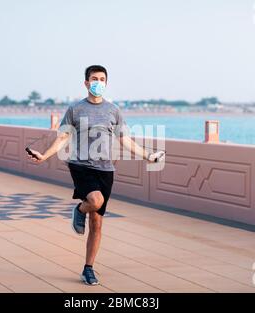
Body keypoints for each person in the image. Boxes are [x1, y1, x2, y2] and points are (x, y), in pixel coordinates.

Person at [27, 65, 164, 285]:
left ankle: (88, 268)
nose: (98, 82)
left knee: (97, 223)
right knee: (95, 201)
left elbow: (125, 140)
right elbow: (63, 138)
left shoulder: (113, 110)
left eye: (102, 79)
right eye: (94, 79)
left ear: (106, 83)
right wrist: (44, 156)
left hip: (105, 170)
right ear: (86, 83)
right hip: (81, 166)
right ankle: (79, 210)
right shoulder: (75, 109)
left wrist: (148, 156)